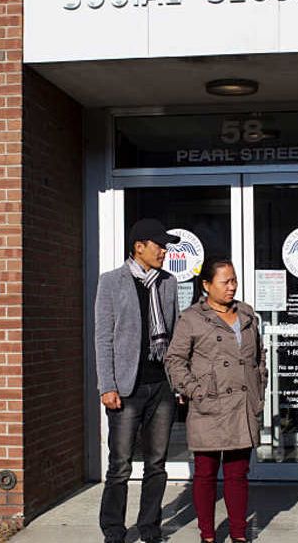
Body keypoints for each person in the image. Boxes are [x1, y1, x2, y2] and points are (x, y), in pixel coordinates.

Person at [165, 257, 267, 543]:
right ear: (207, 285)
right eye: (225, 282)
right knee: (206, 474)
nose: (232, 287)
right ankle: (207, 536)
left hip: (241, 406)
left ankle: (238, 534)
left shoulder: (247, 314)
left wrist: (259, 387)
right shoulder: (192, 318)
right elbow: (174, 360)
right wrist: (194, 391)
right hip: (209, 405)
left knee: (238, 474)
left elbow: (259, 357)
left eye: (234, 280)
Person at [95, 218, 181, 543]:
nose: (164, 251)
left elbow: (172, 337)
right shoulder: (111, 282)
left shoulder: (168, 283)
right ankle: (114, 531)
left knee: (157, 464)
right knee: (120, 466)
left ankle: (150, 528)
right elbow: (103, 338)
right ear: (139, 247)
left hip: (161, 386)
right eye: (159, 245)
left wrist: (179, 382)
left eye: (166, 246)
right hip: (126, 389)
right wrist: (107, 386)